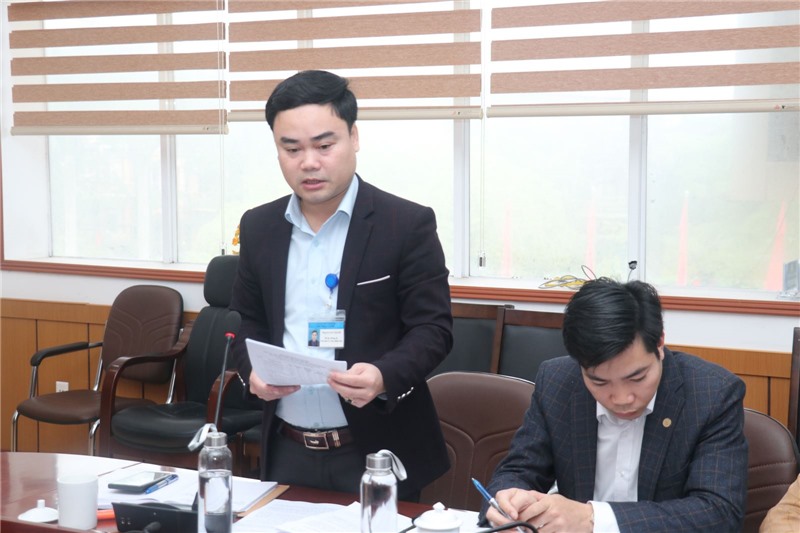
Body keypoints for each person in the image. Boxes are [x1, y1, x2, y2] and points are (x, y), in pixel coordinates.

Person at [229, 70, 453, 499]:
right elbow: (245, 321)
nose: (308, 162)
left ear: (354, 137)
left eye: (324, 145)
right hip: (286, 446)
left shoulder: (405, 224)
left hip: (377, 449)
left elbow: (433, 329)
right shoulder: (259, 226)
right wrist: (251, 371)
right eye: (291, 148)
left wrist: (384, 375)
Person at [482, 278, 748, 532]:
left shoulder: (712, 394)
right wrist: (507, 500)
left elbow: (719, 513)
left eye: (637, 378)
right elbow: (519, 470)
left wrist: (592, 520)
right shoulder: (557, 382)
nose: (621, 398)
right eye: (599, 382)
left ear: (659, 343)